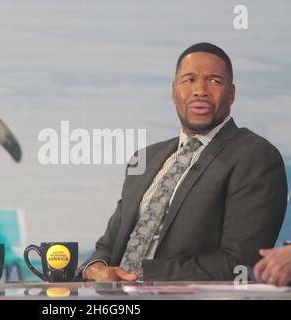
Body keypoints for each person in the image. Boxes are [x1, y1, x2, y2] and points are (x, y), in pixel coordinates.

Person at [80, 42, 288, 282]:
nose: (200, 90)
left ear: (231, 94)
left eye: (214, 81)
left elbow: (239, 262)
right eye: (189, 80)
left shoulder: (255, 156)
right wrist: (95, 268)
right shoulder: (145, 159)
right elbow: (108, 245)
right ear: (173, 91)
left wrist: (139, 275)